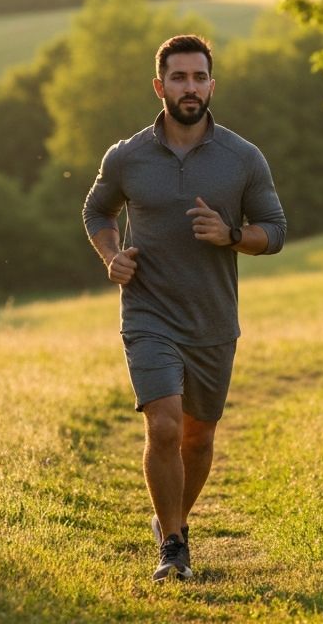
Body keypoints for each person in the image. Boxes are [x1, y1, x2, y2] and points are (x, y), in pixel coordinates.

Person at [82, 34, 286, 582]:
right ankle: (173, 546)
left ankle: (171, 520)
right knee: (166, 425)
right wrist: (111, 256)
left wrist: (231, 234)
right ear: (160, 85)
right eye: (179, 78)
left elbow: (277, 231)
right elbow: (96, 210)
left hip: (213, 320)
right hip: (149, 313)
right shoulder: (127, 156)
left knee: (198, 437)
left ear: (211, 85)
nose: (189, 87)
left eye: (199, 78)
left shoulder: (243, 158)